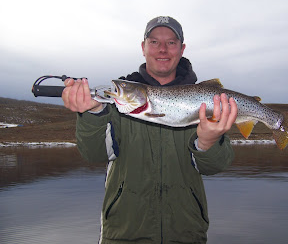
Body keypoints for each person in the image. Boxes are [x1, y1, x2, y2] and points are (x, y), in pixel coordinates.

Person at [62, 16, 237, 244]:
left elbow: (215, 166)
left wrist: (207, 142)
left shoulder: (204, 101)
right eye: (154, 42)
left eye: (171, 43)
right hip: (123, 234)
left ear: (182, 49)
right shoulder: (116, 104)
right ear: (143, 47)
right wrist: (92, 115)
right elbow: (94, 155)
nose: (162, 49)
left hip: (187, 234)